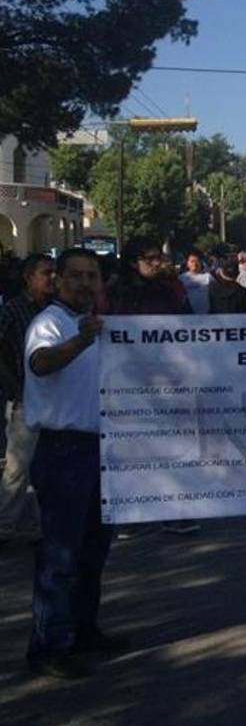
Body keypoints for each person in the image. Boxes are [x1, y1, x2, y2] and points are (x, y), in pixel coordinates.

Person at [24, 248, 128, 679]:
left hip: (101, 450)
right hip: (64, 450)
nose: (85, 283)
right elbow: (41, 363)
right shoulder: (49, 323)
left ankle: (83, 631)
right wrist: (80, 340)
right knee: (61, 555)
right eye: (76, 275)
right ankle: (49, 646)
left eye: (92, 276)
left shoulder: (97, 325)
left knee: (92, 552)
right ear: (60, 279)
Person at [109, 239, 199, 536]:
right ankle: (131, 513)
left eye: (160, 257)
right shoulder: (113, 294)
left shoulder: (168, 291)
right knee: (133, 449)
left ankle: (173, 511)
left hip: (166, 381)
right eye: (152, 258)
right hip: (127, 385)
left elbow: (189, 327)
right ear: (133, 262)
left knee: (171, 447)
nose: (159, 262)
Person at [0, 254, 55, 546]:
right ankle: (5, 524)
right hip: (24, 398)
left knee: (46, 468)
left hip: (53, 398)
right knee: (17, 468)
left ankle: (40, 524)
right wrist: (13, 386)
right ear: (28, 277)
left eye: (54, 272)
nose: (52, 278)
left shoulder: (55, 309)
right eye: (46, 273)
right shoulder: (13, 309)